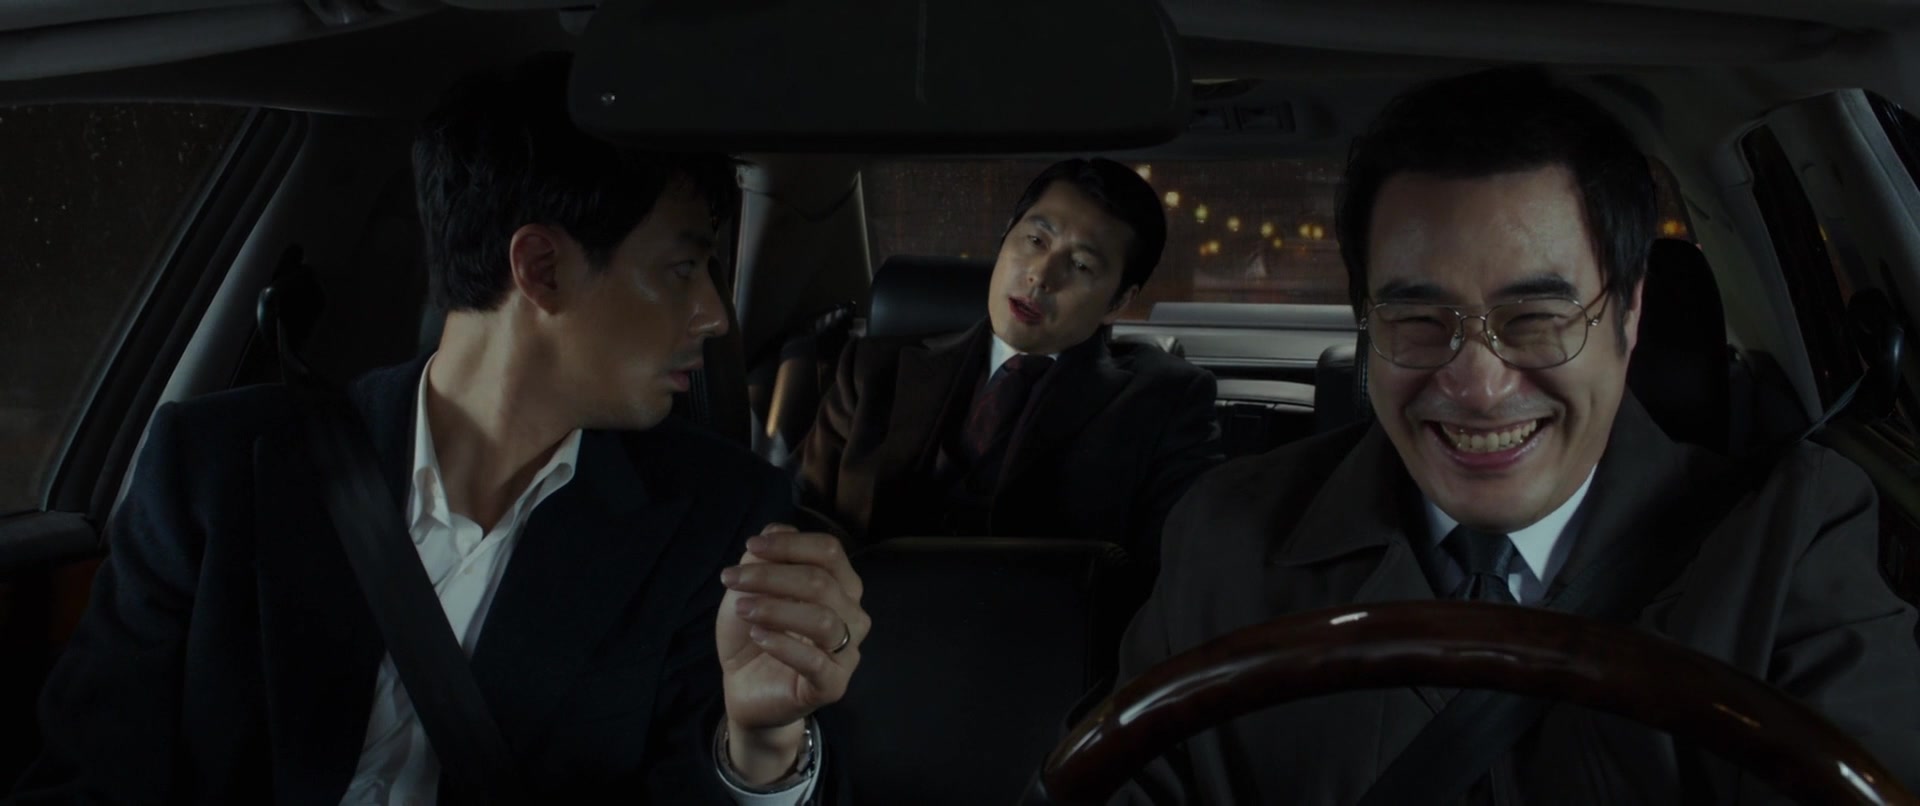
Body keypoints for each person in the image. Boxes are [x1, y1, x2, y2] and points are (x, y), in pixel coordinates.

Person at [9, 53, 867, 805]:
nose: (714, 314)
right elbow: (90, 777)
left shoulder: (719, 517)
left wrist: (759, 751)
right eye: (682, 268)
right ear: (540, 269)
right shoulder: (214, 469)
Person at [1105, 67, 1920, 803]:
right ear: (1367, 324)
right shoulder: (1229, 538)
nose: (1478, 386)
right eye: (1419, 320)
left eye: (1535, 318)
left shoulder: (1790, 545)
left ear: (1628, 315)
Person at [796, 158, 1222, 558]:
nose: (1041, 275)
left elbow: (1177, 567)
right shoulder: (872, 369)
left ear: (1118, 302)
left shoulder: (1163, 402)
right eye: (1035, 241)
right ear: (1005, 237)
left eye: (1080, 265)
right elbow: (799, 517)